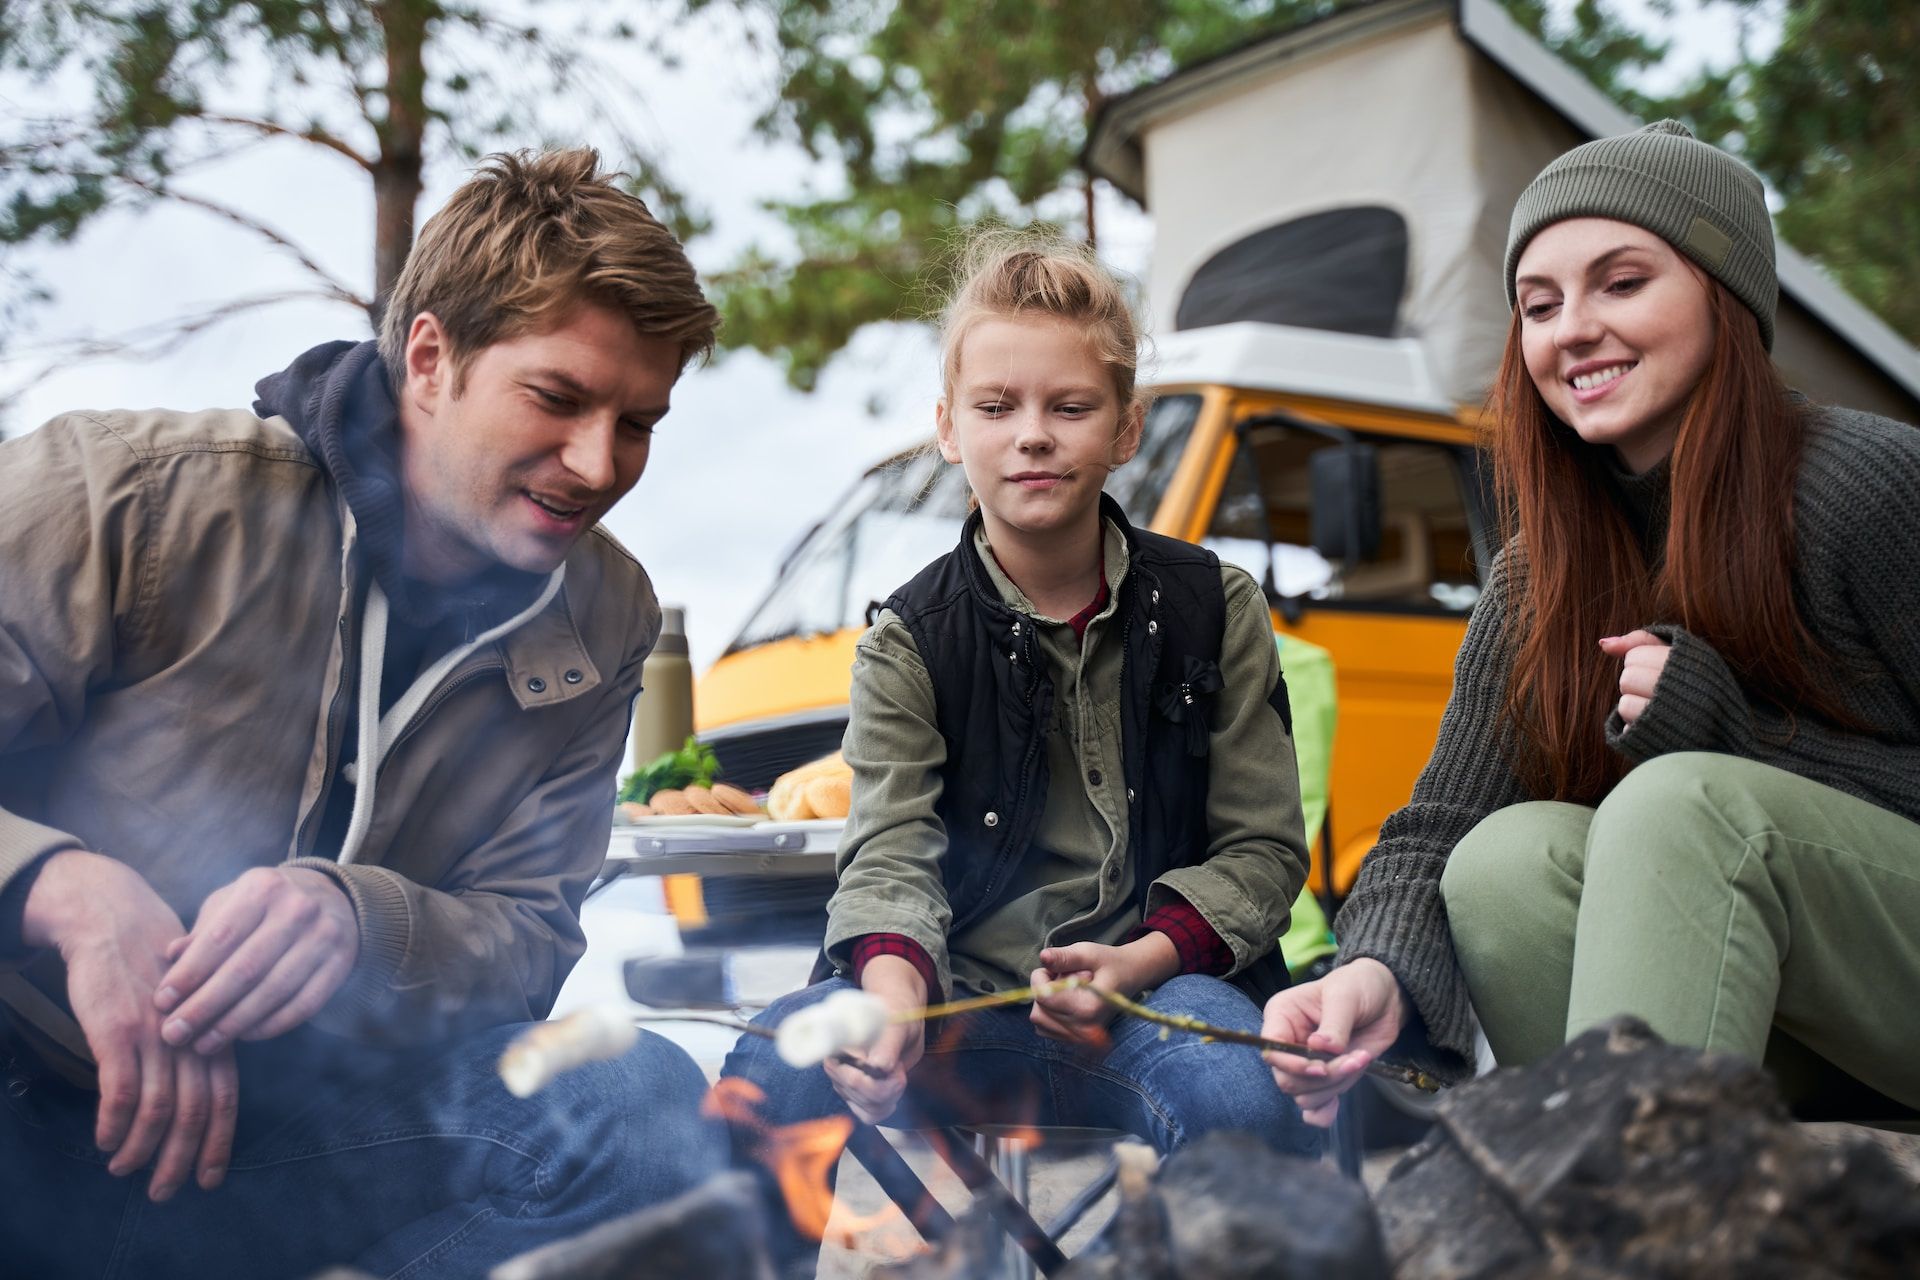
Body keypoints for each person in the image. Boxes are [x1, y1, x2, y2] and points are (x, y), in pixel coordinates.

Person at [0, 148, 726, 1277]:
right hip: (30, 1110)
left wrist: (362, 920)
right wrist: (52, 884)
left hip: (300, 1147)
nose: (598, 463)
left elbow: (529, 936)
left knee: (640, 1099)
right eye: (559, 396)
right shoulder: (136, 493)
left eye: (638, 421)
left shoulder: (607, 614)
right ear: (431, 358)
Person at [1263, 120, 1920, 1127]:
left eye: (1621, 283)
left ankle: (1622, 1216)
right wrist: (1372, 969)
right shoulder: (1545, 571)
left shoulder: (1863, 489)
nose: (1571, 328)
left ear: (1726, 295)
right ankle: (1657, 1176)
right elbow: (1439, 824)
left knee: (1677, 804)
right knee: (1506, 859)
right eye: (1539, 303)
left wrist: (1737, 737)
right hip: (1797, 1041)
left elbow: (1711, 796)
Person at [723, 233, 1317, 1270]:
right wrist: (892, 991)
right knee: (767, 1074)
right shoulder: (906, 637)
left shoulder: (1213, 606)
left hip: (1155, 993)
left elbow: (1263, 851)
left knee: (1240, 1093)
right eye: (997, 408)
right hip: (956, 1006)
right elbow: (889, 850)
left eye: (1070, 407)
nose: (1032, 436)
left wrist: (1139, 957)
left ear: (1128, 426)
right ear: (950, 429)